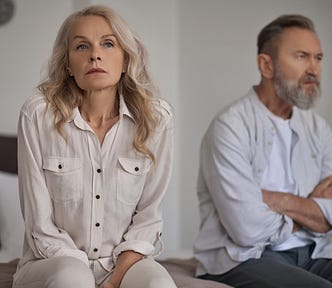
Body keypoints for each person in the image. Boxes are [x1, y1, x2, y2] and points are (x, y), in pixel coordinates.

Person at [13, 5, 176, 288]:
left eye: (108, 44)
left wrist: (113, 281)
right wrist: (87, 279)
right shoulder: (37, 116)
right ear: (67, 63)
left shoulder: (155, 119)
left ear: (125, 60)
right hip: (52, 261)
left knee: (157, 284)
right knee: (72, 279)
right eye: (81, 46)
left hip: (122, 261)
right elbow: (40, 226)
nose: (95, 55)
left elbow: (149, 219)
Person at [194, 14, 332, 288]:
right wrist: (310, 212)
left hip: (315, 251)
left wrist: (274, 199)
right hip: (245, 257)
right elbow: (247, 229)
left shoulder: (318, 128)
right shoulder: (230, 127)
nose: (314, 69)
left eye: (318, 58)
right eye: (302, 57)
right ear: (266, 65)